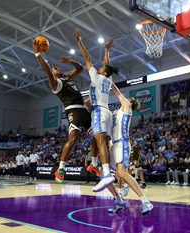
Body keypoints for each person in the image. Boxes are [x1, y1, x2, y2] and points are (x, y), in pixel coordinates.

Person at [32, 40, 97, 184]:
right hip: (73, 111)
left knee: (97, 136)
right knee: (73, 138)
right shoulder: (55, 84)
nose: (55, 68)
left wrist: (71, 61)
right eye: (54, 69)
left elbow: (80, 68)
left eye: (56, 67)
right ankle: (61, 169)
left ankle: (93, 164)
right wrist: (37, 54)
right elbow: (47, 69)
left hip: (84, 111)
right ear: (53, 74)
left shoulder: (66, 77)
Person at [75, 28, 118, 192]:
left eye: (102, 68)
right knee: (98, 139)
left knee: (99, 140)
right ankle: (95, 165)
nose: (100, 68)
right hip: (105, 111)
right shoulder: (108, 77)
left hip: (100, 111)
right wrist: (107, 50)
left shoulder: (98, 76)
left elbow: (87, 58)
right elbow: (107, 65)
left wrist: (79, 41)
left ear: (103, 72)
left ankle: (106, 173)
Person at [107, 83, 153, 214]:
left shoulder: (127, 107)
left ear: (130, 103)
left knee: (122, 173)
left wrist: (108, 80)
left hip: (122, 143)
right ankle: (119, 201)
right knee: (108, 176)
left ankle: (146, 201)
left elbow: (116, 91)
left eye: (129, 99)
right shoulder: (116, 112)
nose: (127, 99)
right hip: (113, 144)